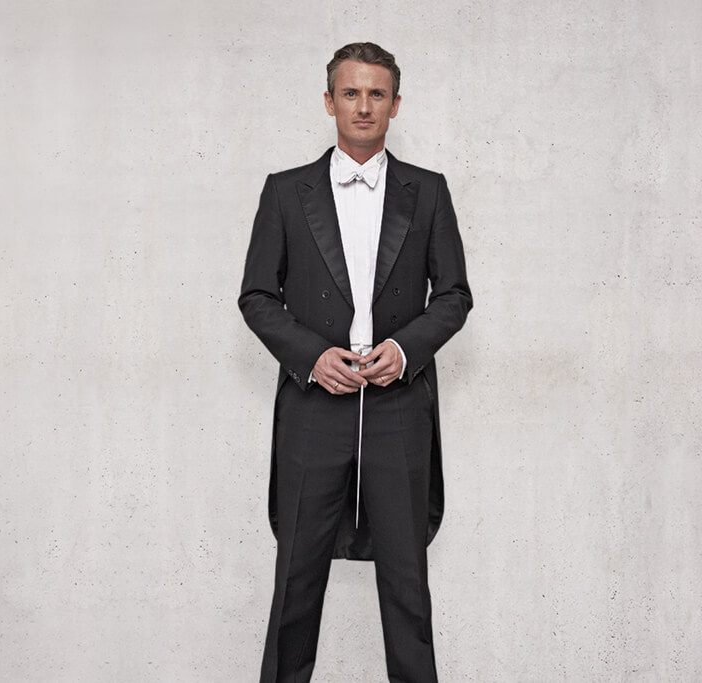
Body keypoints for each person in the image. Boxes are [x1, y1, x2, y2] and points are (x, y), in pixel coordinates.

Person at [238, 42, 472, 683]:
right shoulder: (285, 191)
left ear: (395, 105)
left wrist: (405, 350)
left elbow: (454, 294)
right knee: (296, 582)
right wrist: (313, 357)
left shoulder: (428, 191)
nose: (363, 106)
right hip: (315, 406)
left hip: (399, 406)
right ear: (329, 102)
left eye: (376, 94)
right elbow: (257, 296)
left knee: (407, 585)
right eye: (350, 92)